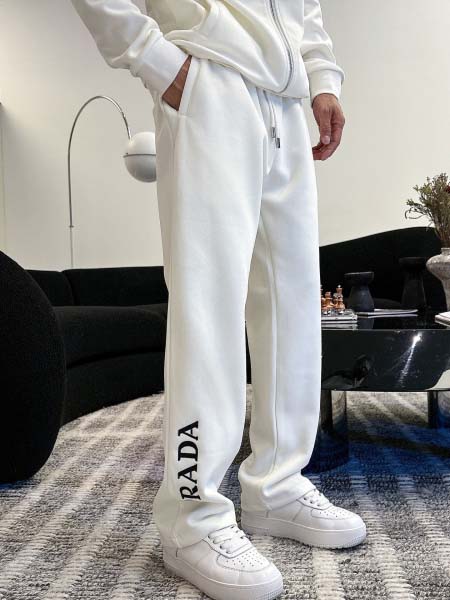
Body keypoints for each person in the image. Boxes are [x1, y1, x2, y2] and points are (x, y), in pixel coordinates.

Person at [70, 2, 367, 598]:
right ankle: (192, 516)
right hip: (208, 76)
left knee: (292, 303)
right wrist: (154, 58)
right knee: (208, 303)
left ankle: (277, 485)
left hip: (285, 98)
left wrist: (322, 75)